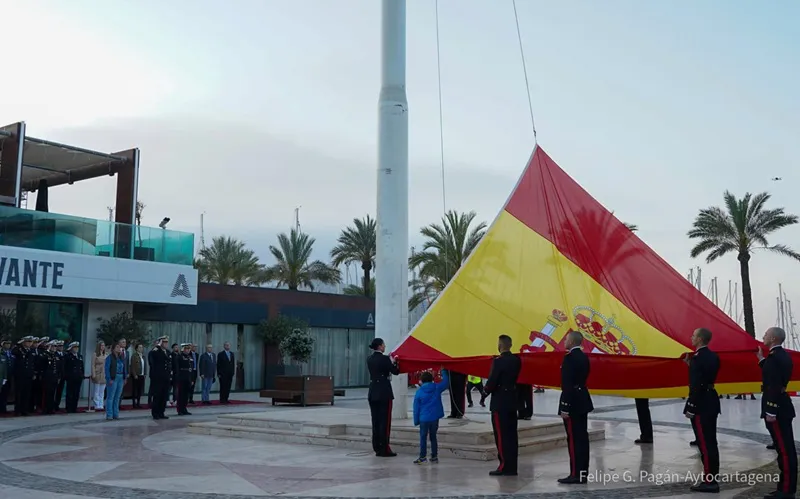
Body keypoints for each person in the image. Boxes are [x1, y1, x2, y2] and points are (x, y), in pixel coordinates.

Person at [758, 326, 796, 498]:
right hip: (783, 406)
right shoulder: (779, 356)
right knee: (784, 449)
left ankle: (786, 490)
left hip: (778, 409)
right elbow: (774, 373)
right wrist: (760, 359)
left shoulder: (774, 358)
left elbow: (773, 383)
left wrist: (771, 410)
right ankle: (785, 488)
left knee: (785, 451)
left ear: (773, 338)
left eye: (766, 335)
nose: (763, 337)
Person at [682, 327, 720, 493]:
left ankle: (709, 481)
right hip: (711, 400)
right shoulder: (712, 356)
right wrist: (690, 365)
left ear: (699, 339)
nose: (691, 337)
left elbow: (697, 385)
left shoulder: (698, 358)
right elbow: (706, 376)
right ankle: (713, 477)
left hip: (701, 404)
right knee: (712, 441)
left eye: (693, 335)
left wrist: (691, 406)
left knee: (705, 444)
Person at [558, 330, 594, 485]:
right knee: (582, 439)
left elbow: (567, 385)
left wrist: (564, 407)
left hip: (572, 403)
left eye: (566, 339)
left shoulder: (570, 359)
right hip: (582, 400)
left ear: (572, 342)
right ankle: (583, 472)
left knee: (574, 440)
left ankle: (575, 474)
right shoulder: (584, 357)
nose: (564, 342)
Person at [483, 334, 522, 476]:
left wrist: (485, 392)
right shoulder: (516, 360)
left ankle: (504, 466)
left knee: (501, 436)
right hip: (512, 400)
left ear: (500, 345)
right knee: (512, 435)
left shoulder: (498, 362)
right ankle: (513, 466)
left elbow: (492, 381)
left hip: (500, 402)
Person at [367, 337, 400, 457]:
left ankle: (377, 447)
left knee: (375, 421)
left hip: (373, 392)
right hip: (384, 392)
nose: (385, 347)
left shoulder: (369, 359)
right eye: (384, 345)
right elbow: (395, 371)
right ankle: (384, 448)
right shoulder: (385, 359)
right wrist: (394, 361)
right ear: (380, 346)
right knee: (384, 422)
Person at [412, 369, 450, 464]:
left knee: (423, 437)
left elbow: (416, 408)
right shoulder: (437, 388)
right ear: (432, 379)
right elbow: (446, 382)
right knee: (433, 437)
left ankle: (422, 457)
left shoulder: (419, 392)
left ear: (422, 381)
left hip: (423, 419)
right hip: (434, 418)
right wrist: (444, 370)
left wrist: (416, 421)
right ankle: (434, 456)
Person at [148, 336, 172, 420]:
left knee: (164, 396)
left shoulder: (168, 352)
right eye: (164, 342)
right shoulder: (156, 351)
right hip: (158, 377)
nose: (166, 344)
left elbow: (169, 364)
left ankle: (161, 412)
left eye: (166, 342)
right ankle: (155, 413)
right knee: (157, 395)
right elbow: (152, 361)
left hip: (166, 377)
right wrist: (158, 346)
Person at [12, 336, 35, 416]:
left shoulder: (31, 351)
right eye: (27, 342)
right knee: (19, 393)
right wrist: (19, 344)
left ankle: (24, 410)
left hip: (28, 375)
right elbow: (14, 352)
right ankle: (17, 410)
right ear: (24, 342)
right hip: (20, 375)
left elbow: (32, 364)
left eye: (30, 342)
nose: (29, 343)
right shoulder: (19, 349)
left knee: (26, 393)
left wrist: (32, 373)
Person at [104, 342, 127, 420]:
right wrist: (109, 378)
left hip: (121, 378)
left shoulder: (121, 358)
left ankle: (116, 413)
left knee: (117, 397)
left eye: (119, 347)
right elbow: (107, 369)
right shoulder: (109, 358)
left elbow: (124, 368)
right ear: (113, 349)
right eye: (117, 347)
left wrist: (125, 377)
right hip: (113, 378)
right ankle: (109, 414)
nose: (119, 349)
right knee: (111, 397)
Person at [64, 342, 84, 414]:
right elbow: (65, 367)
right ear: (71, 348)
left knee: (76, 393)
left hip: (78, 377)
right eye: (75, 347)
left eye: (77, 347)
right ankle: (68, 408)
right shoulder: (68, 356)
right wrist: (66, 376)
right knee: (70, 393)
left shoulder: (80, 356)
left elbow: (81, 367)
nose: (76, 349)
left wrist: (82, 375)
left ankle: (74, 407)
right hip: (71, 377)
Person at [176, 343, 193, 416]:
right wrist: (178, 377)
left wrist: (191, 379)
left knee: (186, 395)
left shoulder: (189, 357)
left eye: (189, 349)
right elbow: (177, 368)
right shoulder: (179, 356)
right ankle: (180, 409)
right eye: (186, 348)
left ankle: (184, 408)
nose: (188, 350)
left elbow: (191, 369)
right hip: (181, 377)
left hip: (188, 377)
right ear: (183, 349)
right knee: (181, 395)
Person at [90, 341, 107, 412]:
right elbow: (93, 364)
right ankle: (96, 404)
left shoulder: (106, 354)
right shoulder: (95, 354)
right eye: (101, 345)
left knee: (102, 391)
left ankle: (101, 404)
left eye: (103, 345)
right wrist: (93, 373)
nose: (102, 347)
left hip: (104, 374)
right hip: (97, 373)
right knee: (96, 390)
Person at [130, 343, 146, 408]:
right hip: (136, 375)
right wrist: (134, 374)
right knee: (135, 389)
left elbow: (145, 366)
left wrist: (145, 373)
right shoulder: (134, 356)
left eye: (142, 347)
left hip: (142, 375)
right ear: (136, 348)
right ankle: (134, 403)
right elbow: (132, 366)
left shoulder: (143, 356)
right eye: (139, 347)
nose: (141, 349)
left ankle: (138, 403)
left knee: (140, 389)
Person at [0, 339, 11, 414]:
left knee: (5, 393)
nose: (8, 345)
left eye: (9, 344)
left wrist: (5, 377)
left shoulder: (10, 353)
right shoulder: (1, 353)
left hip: (7, 375)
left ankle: (3, 408)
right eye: (6, 344)